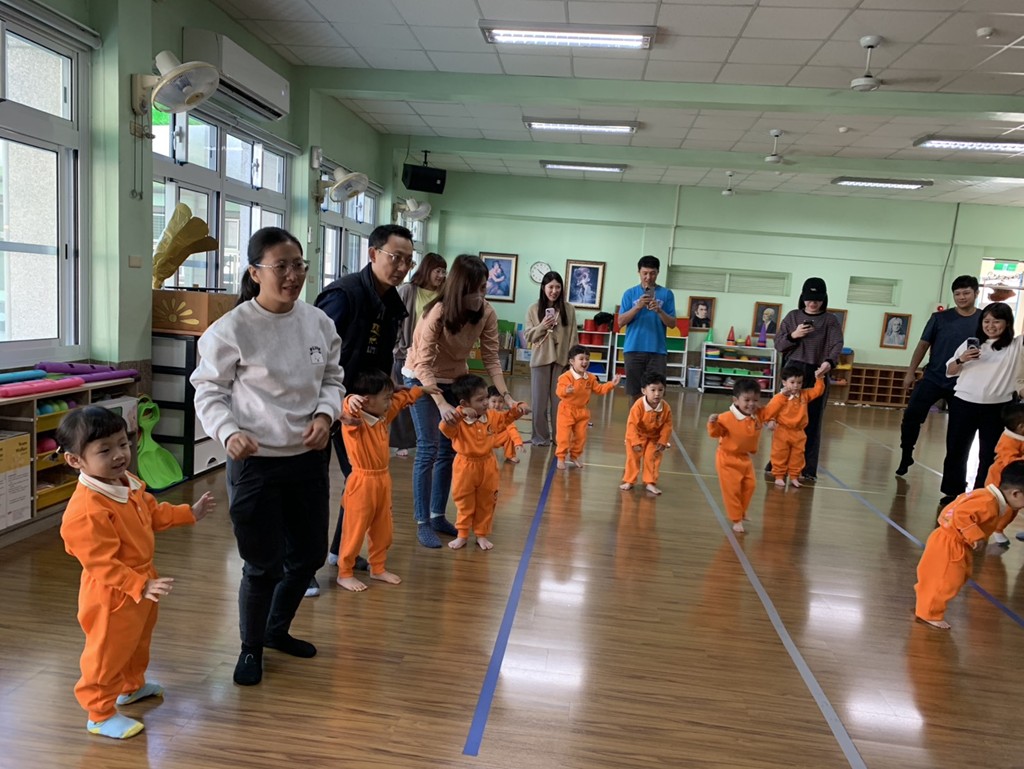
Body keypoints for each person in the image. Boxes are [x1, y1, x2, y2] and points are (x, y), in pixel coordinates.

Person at [192, 226, 344, 686]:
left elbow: (333, 379)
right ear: (255, 272)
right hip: (255, 461)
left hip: (307, 458)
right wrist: (228, 432)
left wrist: (326, 415)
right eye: (282, 266)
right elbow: (208, 390)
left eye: (299, 265)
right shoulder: (232, 328)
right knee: (262, 565)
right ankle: (251, 648)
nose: (293, 275)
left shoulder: (318, 322)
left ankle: (277, 631)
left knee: (309, 556)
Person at [57, 406, 215, 739]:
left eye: (123, 444)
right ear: (75, 460)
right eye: (104, 450)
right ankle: (99, 714)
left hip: (143, 582)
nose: (119, 455)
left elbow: (152, 513)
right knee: (107, 652)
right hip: (112, 593)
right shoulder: (86, 510)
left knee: (138, 640)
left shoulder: (126, 482)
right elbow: (101, 563)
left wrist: (189, 513)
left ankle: (130, 687)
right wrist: (138, 584)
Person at [312, 223, 415, 595]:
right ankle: (303, 566)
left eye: (408, 260)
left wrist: (386, 387)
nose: (401, 267)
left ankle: (342, 551)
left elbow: (378, 356)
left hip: (359, 407)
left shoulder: (390, 302)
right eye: (395, 258)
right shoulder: (344, 295)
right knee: (313, 487)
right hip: (322, 404)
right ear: (373, 254)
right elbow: (312, 354)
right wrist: (325, 406)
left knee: (360, 480)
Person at [403, 254, 528, 548]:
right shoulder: (437, 312)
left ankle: (437, 515)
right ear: (461, 287)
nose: (482, 295)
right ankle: (423, 521)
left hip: (455, 379)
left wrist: (507, 396)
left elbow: (492, 359)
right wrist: (442, 404)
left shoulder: (487, 312)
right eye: (477, 289)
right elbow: (423, 364)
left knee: (448, 451)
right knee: (429, 448)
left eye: (485, 288)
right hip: (421, 379)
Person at [336, 369, 434, 592]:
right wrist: (350, 400)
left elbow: (401, 399)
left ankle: (377, 567)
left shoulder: (382, 417)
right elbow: (346, 407)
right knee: (355, 530)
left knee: (383, 529)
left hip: (383, 480)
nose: (389, 403)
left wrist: (421, 390)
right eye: (385, 398)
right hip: (361, 483)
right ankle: (345, 573)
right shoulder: (354, 421)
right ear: (366, 401)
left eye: (389, 397)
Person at [914, 460, 1024, 629]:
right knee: (947, 580)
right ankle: (929, 613)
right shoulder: (988, 503)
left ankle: (925, 604)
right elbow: (961, 514)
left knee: (947, 576)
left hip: (947, 539)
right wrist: (976, 537)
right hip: (951, 543)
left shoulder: (984, 495)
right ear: (1016, 493)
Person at [940, 302, 1024, 506]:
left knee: (989, 454)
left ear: (1007, 323)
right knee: (956, 450)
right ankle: (952, 492)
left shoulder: (1015, 346)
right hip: (963, 403)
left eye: (997, 321)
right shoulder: (971, 344)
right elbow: (949, 371)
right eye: (986, 321)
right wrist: (961, 360)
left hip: (997, 408)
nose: (991, 326)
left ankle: (982, 493)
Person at [896, 276, 981, 476]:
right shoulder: (939, 318)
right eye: (957, 294)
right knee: (911, 416)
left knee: (958, 431)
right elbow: (922, 345)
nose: (962, 297)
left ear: (976, 293)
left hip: (963, 383)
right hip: (933, 377)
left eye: (966, 293)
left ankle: (953, 478)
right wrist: (910, 372)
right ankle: (906, 454)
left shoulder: (984, 319)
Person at [440, 374, 527, 550]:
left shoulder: (492, 416)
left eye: (486, 397)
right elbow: (444, 427)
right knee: (464, 502)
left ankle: (481, 534)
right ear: (465, 403)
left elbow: (506, 418)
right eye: (480, 400)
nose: (486, 402)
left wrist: (519, 409)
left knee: (487, 501)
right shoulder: (458, 420)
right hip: (464, 467)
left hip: (488, 465)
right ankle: (462, 534)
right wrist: (460, 413)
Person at [771, 277, 843, 481]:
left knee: (812, 420)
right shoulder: (793, 316)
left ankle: (807, 468)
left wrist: (829, 362)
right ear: (802, 298)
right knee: (784, 418)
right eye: (809, 299)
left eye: (817, 299)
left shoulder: (830, 320)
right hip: (792, 371)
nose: (813, 303)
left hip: (817, 372)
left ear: (824, 299)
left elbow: (836, 344)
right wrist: (794, 335)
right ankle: (777, 464)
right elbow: (779, 344)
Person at [392, 252, 447, 457]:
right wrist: (399, 345)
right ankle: (402, 442)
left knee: (430, 400)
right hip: (406, 355)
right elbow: (395, 320)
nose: (441, 275)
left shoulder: (445, 294)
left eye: (444, 271)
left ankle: (427, 439)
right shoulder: (408, 290)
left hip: (433, 358)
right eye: (437, 271)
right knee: (405, 399)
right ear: (426, 270)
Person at [523, 271, 577, 446]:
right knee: (539, 403)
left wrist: (573, 364)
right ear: (543, 288)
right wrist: (542, 326)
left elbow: (573, 337)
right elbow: (528, 336)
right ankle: (540, 437)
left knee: (559, 402)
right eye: (551, 287)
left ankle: (559, 437)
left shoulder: (569, 309)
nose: (554, 291)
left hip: (562, 361)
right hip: (540, 360)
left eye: (558, 287)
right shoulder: (533, 309)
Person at [707, 379, 763, 534]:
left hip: (745, 458)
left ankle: (742, 511)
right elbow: (715, 433)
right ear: (736, 400)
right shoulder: (726, 417)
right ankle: (736, 519)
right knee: (732, 491)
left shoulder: (756, 416)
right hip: (727, 459)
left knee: (750, 485)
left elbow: (772, 409)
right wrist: (712, 423)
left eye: (755, 400)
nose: (751, 404)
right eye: (747, 400)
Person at [618, 255, 677, 400]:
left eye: (652, 273)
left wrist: (659, 310)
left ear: (658, 273)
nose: (648, 277)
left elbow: (672, 324)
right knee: (635, 393)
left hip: (657, 351)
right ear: (639, 272)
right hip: (633, 349)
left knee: (656, 393)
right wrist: (637, 307)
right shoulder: (629, 294)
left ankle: (653, 416)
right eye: (645, 273)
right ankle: (636, 416)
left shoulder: (667, 294)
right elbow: (620, 322)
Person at [555, 345, 622, 470]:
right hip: (566, 410)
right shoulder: (566, 377)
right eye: (581, 359)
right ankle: (561, 457)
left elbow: (599, 389)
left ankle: (574, 456)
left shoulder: (590, 377)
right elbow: (559, 392)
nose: (585, 362)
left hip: (582, 411)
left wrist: (611, 384)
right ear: (572, 361)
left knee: (580, 437)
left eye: (587, 359)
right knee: (564, 437)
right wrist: (565, 391)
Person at [761, 365, 826, 489]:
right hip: (782, 431)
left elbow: (818, 391)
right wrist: (770, 420)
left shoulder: (804, 395)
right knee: (779, 454)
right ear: (784, 382)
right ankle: (779, 476)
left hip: (799, 432)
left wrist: (819, 378)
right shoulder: (779, 397)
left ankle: (794, 476)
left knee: (798, 455)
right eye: (792, 382)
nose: (796, 386)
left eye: (799, 382)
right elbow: (770, 410)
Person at [619, 371, 672, 495]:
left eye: (660, 390)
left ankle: (650, 482)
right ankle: (629, 481)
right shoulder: (638, 406)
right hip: (637, 436)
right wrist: (635, 441)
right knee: (633, 458)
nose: (657, 394)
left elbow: (667, 426)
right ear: (644, 391)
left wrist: (663, 441)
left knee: (652, 458)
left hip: (654, 438)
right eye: (653, 390)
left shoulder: (666, 408)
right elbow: (631, 425)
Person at [983, 403, 1024, 545]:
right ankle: (997, 529)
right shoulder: (1008, 440)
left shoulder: (1019, 437)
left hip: (1017, 480)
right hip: (1002, 481)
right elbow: (1009, 461)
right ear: (1021, 427)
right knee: (1007, 508)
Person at [488, 385, 525, 463]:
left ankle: (510, 455)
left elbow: (512, 429)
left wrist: (518, 442)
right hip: (484, 440)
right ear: (487, 401)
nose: (497, 405)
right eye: (494, 401)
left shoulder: (505, 415)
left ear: (505, 402)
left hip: (497, 439)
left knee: (509, 434)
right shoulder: (483, 413)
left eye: (500, 401)